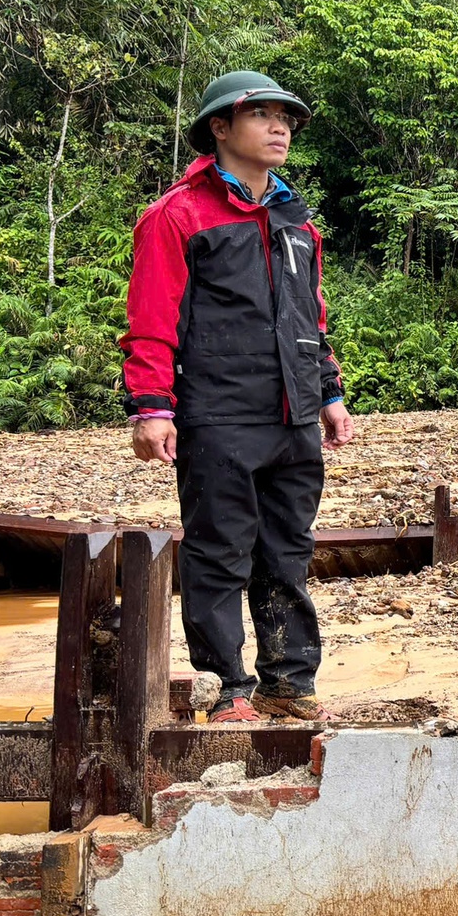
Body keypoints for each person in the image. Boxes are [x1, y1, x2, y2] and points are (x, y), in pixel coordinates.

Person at [120, 72, 356, 723]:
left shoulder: (295, 220)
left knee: (287, 548)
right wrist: (151, 406)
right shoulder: (179, 215)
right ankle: (226, 688)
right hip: (218, 412)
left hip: (292, 413)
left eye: (286, 118)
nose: (280, 128)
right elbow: (151, 318)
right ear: (220, 128)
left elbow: (312, 316)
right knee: (219, 548)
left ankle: (288, 682)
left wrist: (329, 394)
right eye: (262, 116)